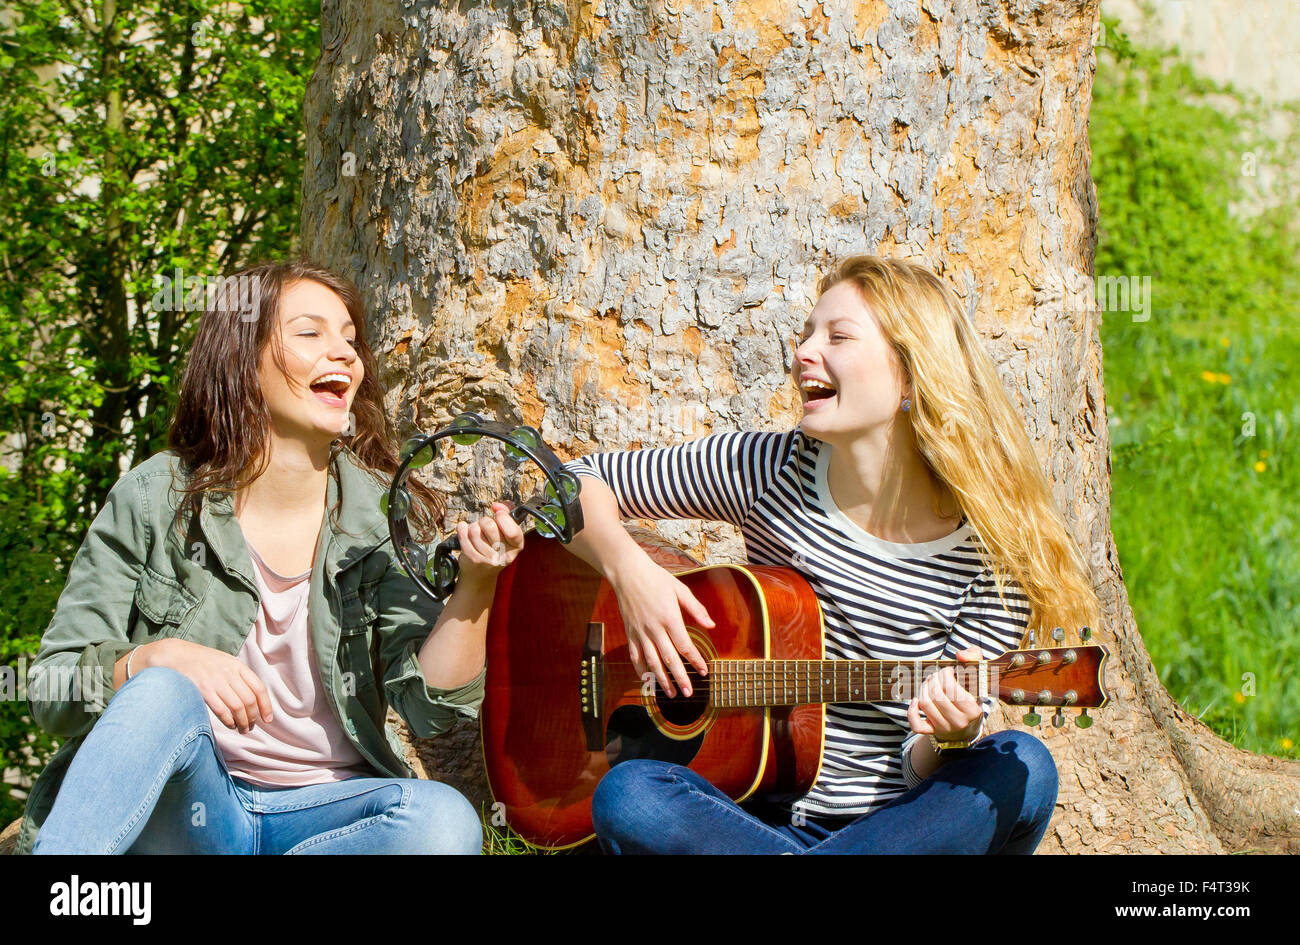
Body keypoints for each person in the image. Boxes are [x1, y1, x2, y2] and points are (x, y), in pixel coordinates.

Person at [561, 255, 1101, 854]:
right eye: (805, 334)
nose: (802, 353)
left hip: (896, 828)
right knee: (630, 793)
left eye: (838, 336)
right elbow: (568, 486)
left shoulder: (995, 555)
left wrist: (948, 736)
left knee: (1023, 764)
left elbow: (920, 769)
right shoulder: (770, 468)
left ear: (912, 376)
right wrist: (630, 572)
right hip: (748, 814)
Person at [17, 260, 524, 855]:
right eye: (310, 334)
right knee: (160, 689)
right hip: (187, 810)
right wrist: (155, 658)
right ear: (241, 359)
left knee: (441, 821)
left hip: (325, 817)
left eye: (350, 340)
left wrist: (477, 586)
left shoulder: (382, 519)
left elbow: (430, 709)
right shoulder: (155, 496)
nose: (344, 354)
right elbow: (50, 691)